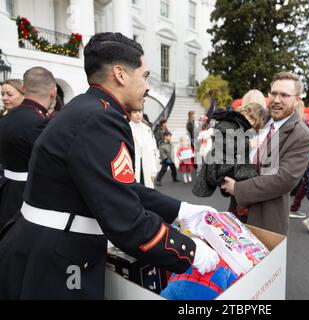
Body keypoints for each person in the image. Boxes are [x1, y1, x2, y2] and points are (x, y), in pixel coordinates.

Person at [0, 33, 219, 299]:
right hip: (57, 260)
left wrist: (181, 210)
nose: (148, 86)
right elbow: (126, 222)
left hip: (43, 246)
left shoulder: (87, 108)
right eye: (145, 75)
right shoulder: (100, 120)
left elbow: (117, 187)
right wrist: (189, 251)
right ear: (120, 74)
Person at [221, 72, 309, 235]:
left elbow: (283, 179)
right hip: (235, 214)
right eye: (274, 93)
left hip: (265, 221)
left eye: (285, 95)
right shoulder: (258, 120)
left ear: (297, 99)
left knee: (262, 261)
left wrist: (238, 188)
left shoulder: (303, 136)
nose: (277, 99)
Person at [0, 68, 56, 232]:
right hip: (26, 195)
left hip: (6, 189)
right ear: (53, 93)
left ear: (23, 88)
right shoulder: (39, 122)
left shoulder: (8, 117)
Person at [193, 103, 268, 223]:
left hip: (222, 165)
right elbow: (225, 144)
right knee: (249, 177)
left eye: (254, 124)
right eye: (251, 119)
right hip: (218, 165)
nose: (251, 124)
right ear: (246, 113)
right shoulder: (231, 123)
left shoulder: (238, 126)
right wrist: (249, 144)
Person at [129, 108, 158, 188]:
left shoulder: (147, 129)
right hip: (133, 165)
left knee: (147, 191)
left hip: (147, 165)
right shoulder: (127, 128)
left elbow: (153, 150)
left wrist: (154, 169)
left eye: (140, 112)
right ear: (130, 114)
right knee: (135, 191)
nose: (138, 114)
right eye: (134, 112)